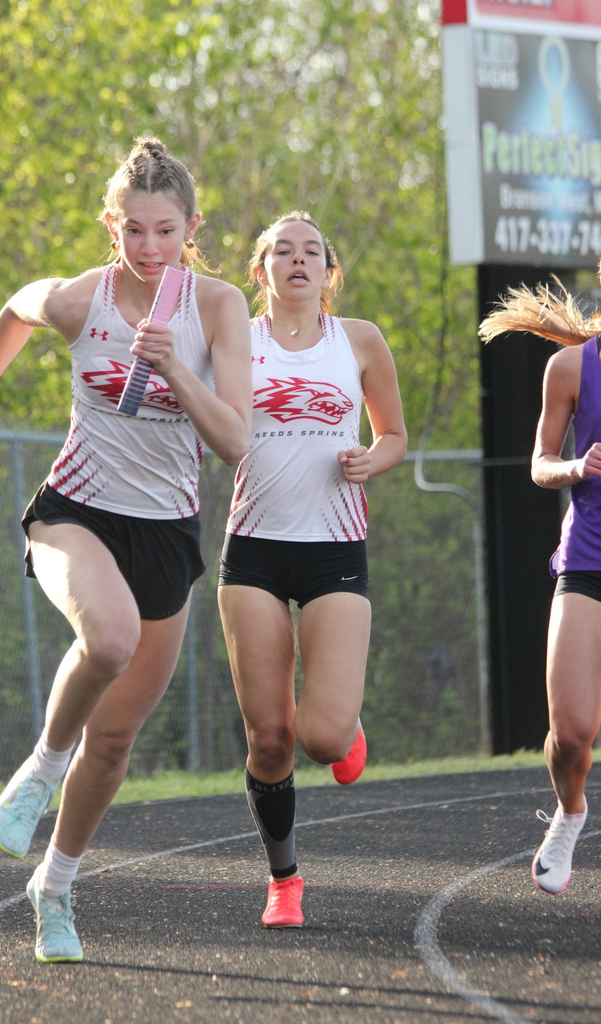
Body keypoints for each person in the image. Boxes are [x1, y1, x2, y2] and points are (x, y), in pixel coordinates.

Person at [0, 137, 252, 961]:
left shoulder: (218, 306)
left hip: (164, 534)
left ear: (191, 227)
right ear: (111, 224)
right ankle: (39, 771)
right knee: (111, 638)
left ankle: (53, 888)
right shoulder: (81, 300)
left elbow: (235, 442)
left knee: (118, 742)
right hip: (73, 511)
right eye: (134, 230)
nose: (149, 248)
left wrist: (177, 371)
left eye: (165, 231)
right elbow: (15, 309)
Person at [217, 211, 407, 928]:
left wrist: (372, 458)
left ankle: (345, 730)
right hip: (255, 548)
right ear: (260, 268)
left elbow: (393, 433)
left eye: (312, 252)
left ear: (329, 271)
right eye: (283, 251)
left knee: (322, 740)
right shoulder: (235, 341)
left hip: (334, 550)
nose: (298, 260)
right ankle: (284, 880)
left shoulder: (358, 340)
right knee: (268, 738)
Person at [478, 221, 601, 920]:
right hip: (590, 559)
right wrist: (577, 465)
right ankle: (570, 809)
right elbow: (539, 463)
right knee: (570, 732)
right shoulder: (571, 368)